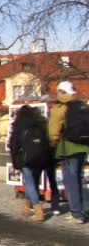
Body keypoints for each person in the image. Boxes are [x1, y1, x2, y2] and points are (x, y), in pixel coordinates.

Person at [48, 81, 89, 224]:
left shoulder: (60, 107)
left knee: (70, 181)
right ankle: (83, 210)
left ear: (61, 92)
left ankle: (77, 214)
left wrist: (52, 143)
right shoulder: (82, 105)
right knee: (79, 178)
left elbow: (53, 130)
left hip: (68, 147)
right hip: (83, 147)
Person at [8, 105, 50, 221]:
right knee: (33, 182)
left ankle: (38, 211)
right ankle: (27, 206)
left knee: (30, 184)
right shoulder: (41, 124)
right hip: (40, 158)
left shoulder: (19, 126)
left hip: (26, 159)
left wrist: (16, 160)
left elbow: (13, 145)